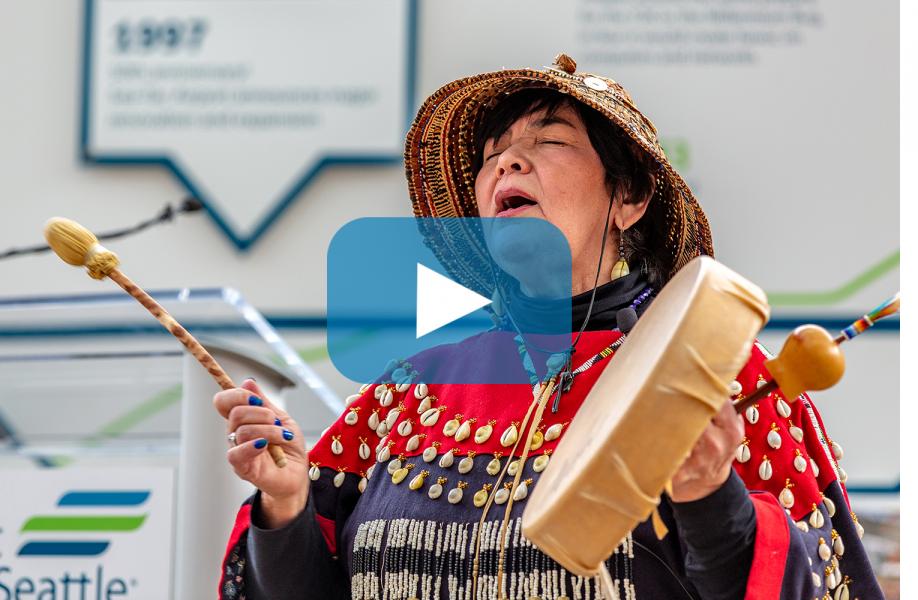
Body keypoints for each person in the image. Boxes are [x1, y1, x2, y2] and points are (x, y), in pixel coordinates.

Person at [214, 54, 883, 599]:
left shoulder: (712, 376)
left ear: (629, 198)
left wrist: (711, 499)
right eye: (493, 153)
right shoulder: (406, 395)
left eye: (549, 141)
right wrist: (288, 505)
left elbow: (812, 586)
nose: (506, 161)